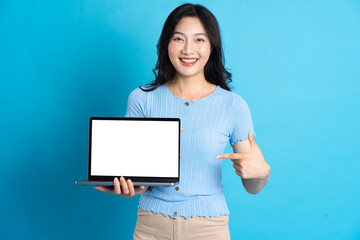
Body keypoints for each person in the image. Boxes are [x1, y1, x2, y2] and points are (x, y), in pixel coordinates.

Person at [94, 3, 270, 239]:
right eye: (179, 38)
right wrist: (130, 188)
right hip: (151, 227)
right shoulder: (141, 99)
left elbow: (253, 186)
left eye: (199, 40)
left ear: (212, 47)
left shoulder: (233, 105)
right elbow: (139, 178)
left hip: (209, 229)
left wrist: (261, 173)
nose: (188, 49)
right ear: (167, 43)